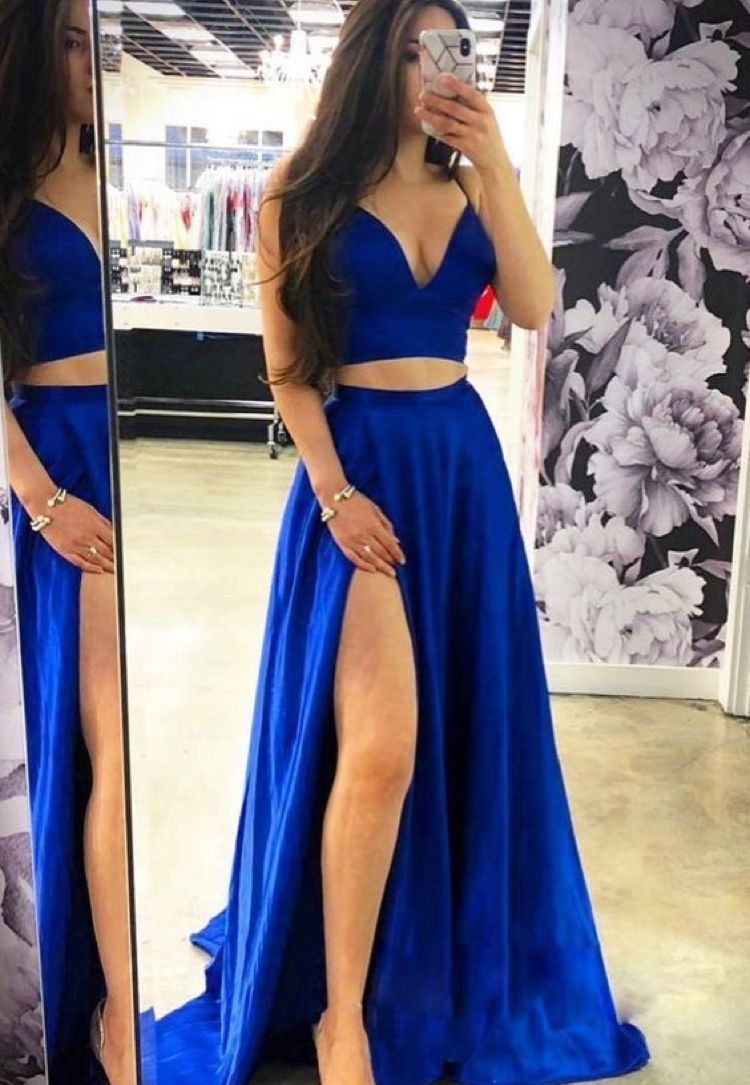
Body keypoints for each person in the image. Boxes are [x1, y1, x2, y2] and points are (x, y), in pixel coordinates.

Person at [150, 2, 651, 1084]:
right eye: (420, 49)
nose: (437, 70)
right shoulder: (298, 190)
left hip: (460, 474)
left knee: (463, 727)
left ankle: (412, 966)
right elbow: (288, 370)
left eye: (453, 51)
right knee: (378, 749)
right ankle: (341, 1017)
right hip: (360, 476)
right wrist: (335, 496)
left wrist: (498, 165)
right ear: (376, 55)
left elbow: (533, 304)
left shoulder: (471, 182)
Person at [0, 2, 135, 1083]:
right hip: (62, 461)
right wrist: (43, 500)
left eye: (100, 39)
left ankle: (115, 1006)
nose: (94, 61)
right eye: (73, 40)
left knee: (120, 746)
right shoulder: (10, 187)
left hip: (129, 454)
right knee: (104, 746)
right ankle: (111, 1016)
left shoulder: (114, 166)